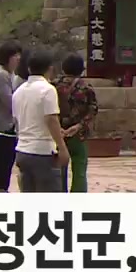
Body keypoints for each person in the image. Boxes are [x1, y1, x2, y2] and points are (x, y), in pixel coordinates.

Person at [12, 50, 69, 193]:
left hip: (23, 150)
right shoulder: (48, 90)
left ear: (29, 69)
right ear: (50, 69)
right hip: (43, 151)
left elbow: (18, 120)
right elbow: (51, 119)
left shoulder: (18, 92)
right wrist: (62, 147)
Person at [55, 53, 99, 192]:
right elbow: (93, 109)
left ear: (63, 68)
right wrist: (79, 125)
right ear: (81, 69)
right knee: (79, 170)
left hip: (57, 134)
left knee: (59, 170)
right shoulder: (86, 87)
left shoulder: (54, 86)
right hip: (78, 134)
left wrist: (59, 127)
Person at [0, 42, 23, 193]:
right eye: (15, 56)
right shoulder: (1, 75)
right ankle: (0, 189)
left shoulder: (11, 75)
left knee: (8, 160)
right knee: (2, 161)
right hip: (2, 126)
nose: (18, 59)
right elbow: (8, 100)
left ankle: (3, 187)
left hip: (10, 125)